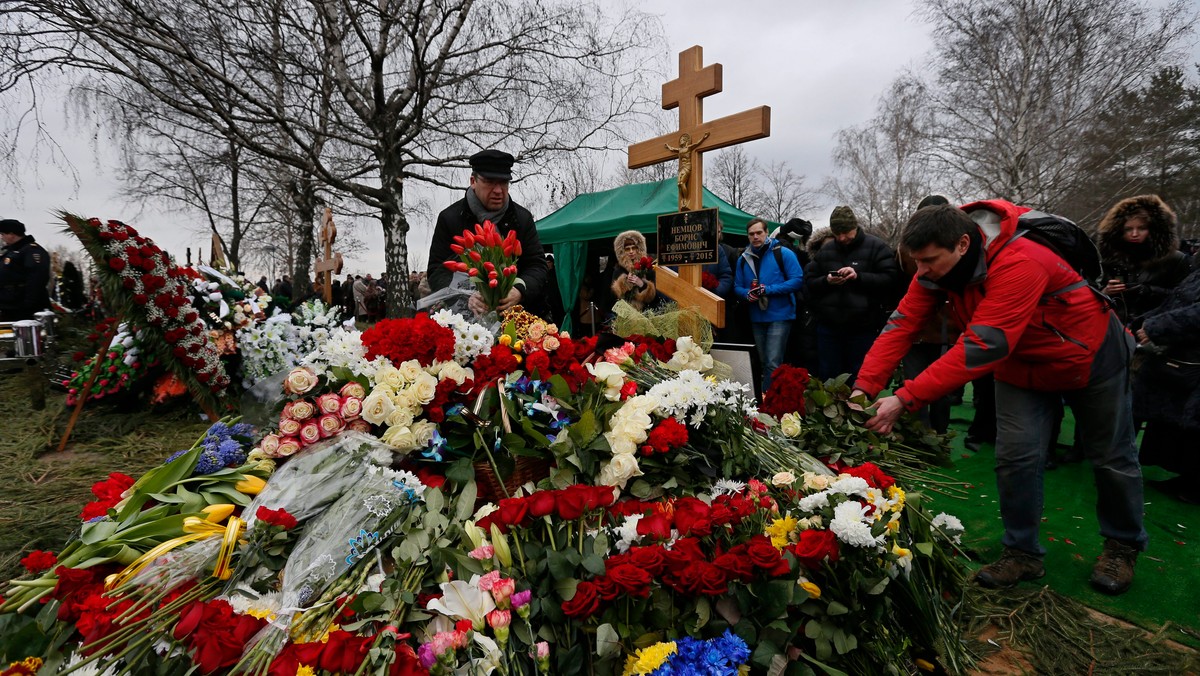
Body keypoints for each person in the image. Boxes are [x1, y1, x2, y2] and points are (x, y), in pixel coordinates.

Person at [852, 202, 1146, 595]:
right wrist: (863, 389)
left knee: (1111, 456)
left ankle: (1122, 545)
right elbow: (901, 325)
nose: (920, 272)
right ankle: (1022, 553)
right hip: (1020, 365)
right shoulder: (934, 270)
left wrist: (904, 398)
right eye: (915, 262)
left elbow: (984, 343)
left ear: (961, 244)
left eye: (928, 261)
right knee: (1015, 457)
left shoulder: (1021, 260)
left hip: (1090, 358)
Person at [427, 149, 549, 318]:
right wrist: (465, 297)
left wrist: (519, 291)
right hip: (465, 323)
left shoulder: (522, 218)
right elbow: (436, 271)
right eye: (490, 181)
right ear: (473, 181)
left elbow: (537, 266)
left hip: (518, 318)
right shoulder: (450, 218)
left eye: (504, 183)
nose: (498, 190)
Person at [804, 206, 899, 380]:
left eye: (846, 232)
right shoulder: (826, 250)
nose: (841, 238)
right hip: (829, 328)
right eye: (837, 233)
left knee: (859, 376)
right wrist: (826, 281)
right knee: (829, 377)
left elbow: (890, 280)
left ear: (855, 227)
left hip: (863, 327)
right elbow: (810, 281)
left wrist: (859, 277)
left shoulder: (876, 247)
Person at [1132, 264, 1200, 504]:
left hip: (1191, 359)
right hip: (1185, 356)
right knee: (1181, 423)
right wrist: (1141, 323)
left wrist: (1155, 326)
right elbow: (1177, 301)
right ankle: (1189, 477)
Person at [1097, 194, 1191, 327]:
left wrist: (1148, 291)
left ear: (1154, 230)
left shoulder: (1175, 259)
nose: (1134, 234)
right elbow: (1093, 294)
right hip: (1116, 328)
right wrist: (1106, 292)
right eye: (1128, 229)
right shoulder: (1112, 259)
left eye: (1141, 228)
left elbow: (1186, 298)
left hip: (1156, 328)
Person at [733, 217, 804, 392]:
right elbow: (737, 287)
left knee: (773, 361)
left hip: (780, 315)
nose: (755, 237)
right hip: (757, 316)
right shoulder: (743, 258)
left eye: (759, 233)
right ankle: (769, 399)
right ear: (748, 236)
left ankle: (768, 403)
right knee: (763, 361)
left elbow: (797, 280)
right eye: (751, 234)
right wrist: (746, 294)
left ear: (766, 233)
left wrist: (768, 290)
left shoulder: (783, 253)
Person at [0, 219, 51, 321]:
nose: (1, 237)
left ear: (11, 234)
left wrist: (28, 304)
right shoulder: (12, 251)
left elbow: (37, 278)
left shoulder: (31, 251)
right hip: (9, 305)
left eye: (3, 234)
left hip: (24, 307)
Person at [610, 231, 658, 312]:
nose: (631, 251)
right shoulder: (618, 270)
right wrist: (625, 283)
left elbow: (654, 297)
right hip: (626, 315)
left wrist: (642, 284)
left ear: (638, 249)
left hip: (646, 314)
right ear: (622, 251)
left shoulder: (647, 268)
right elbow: (613, 297)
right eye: (627, 249)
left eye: (634, 248)